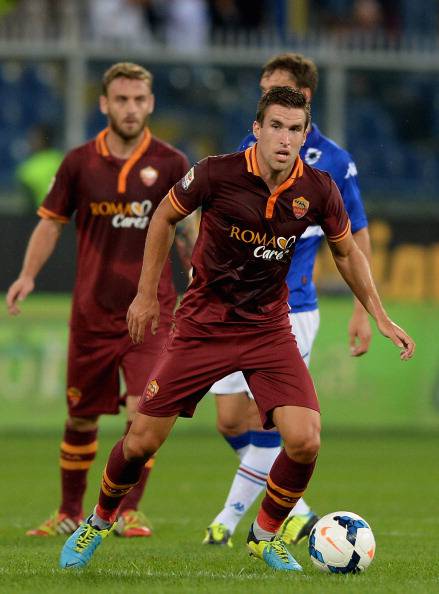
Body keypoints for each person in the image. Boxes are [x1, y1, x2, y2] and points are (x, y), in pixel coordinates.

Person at [59, 86, 414, 572]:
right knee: (141, 440)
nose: (284, 138)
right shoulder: (215, 172)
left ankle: (265, 534)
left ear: (305, 134)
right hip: (204, 325)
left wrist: (378, 313)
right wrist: (145, 294)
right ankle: (97, 521)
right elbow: (163, 215)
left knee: (306, 438)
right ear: (257, 129)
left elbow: (347, 252)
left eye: (294, 129)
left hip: (268, 328)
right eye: (275, 126)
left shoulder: (318, 189)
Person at [6, 62, 190, 538]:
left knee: (144, 416)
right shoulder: (79, 163)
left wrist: (200, 272)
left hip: (150, 313)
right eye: (122, 100)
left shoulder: (171, 163)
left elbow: (189, 228)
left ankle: (127, 511)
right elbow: (50, 222)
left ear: (150, 104)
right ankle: (68, 511)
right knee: (81, 416)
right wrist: (27, 274)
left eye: (139, 100)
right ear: (104, 104)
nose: (131, 109)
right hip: (92, 313)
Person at [205, 52, 372, 549]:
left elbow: (355, 236)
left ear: (305, 98)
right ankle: (295, 509)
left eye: (276, 90)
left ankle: (233, 521)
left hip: (292, 308)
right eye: (262, 92)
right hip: (236, 304)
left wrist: (363, 309)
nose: (267, 101)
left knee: (271, 419)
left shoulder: (334, 164)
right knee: (230, 420)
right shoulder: (249, 148)